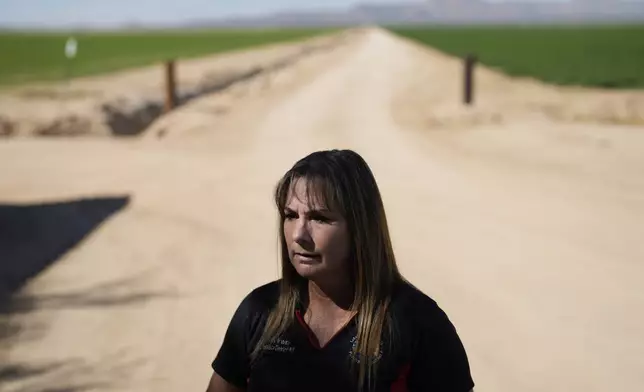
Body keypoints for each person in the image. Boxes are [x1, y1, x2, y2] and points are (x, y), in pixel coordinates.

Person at [205, 149, 475, 392]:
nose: (299, 235)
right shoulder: (260, 311)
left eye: (319, 218)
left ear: (360, 228)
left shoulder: (419, 324)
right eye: (290, 215)